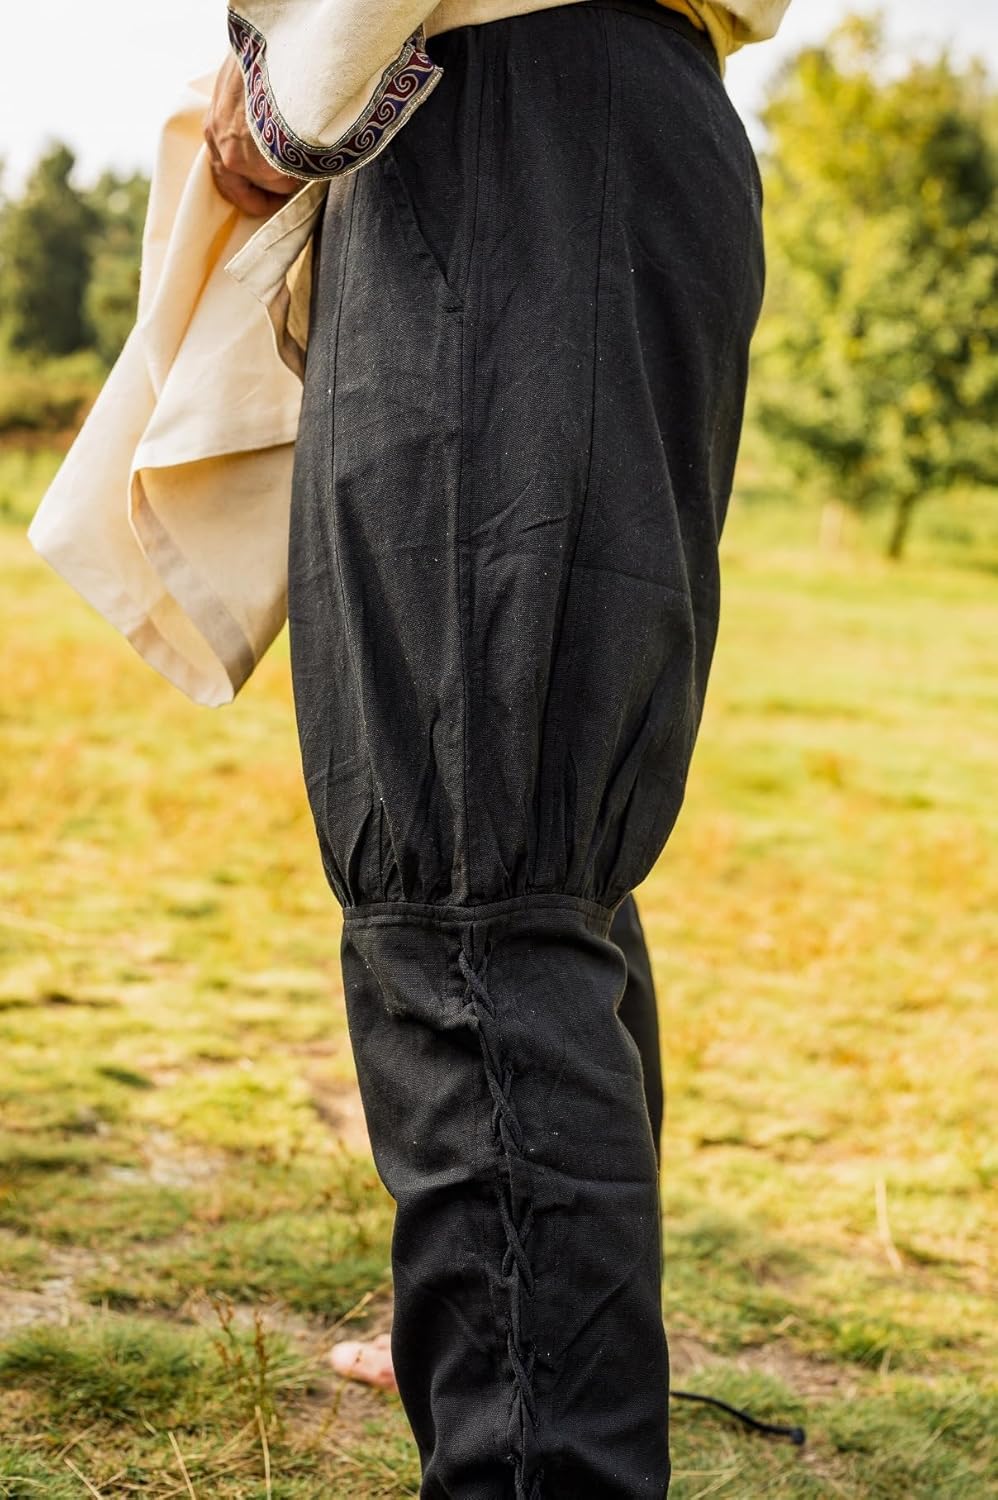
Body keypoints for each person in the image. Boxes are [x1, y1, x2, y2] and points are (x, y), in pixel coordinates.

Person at [205, 1, 787, 1493]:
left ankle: (534, 1434)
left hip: (496, 138)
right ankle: (501, 1330)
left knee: (471, 876)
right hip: (611, 131)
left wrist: (281, 111)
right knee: (536, 849)